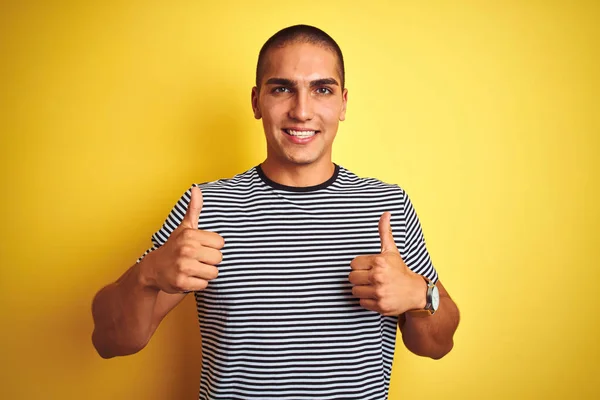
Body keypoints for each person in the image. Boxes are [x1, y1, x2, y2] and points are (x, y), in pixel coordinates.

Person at [91, 24, 460, 400]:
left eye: (322, 90)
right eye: (282, 88)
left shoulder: (387, 205)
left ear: (343, 103)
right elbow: (109, 341)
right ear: (256, 101)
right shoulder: (207, 206)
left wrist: (419, 295)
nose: (301, 111)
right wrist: (148, 274)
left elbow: (436, 345)